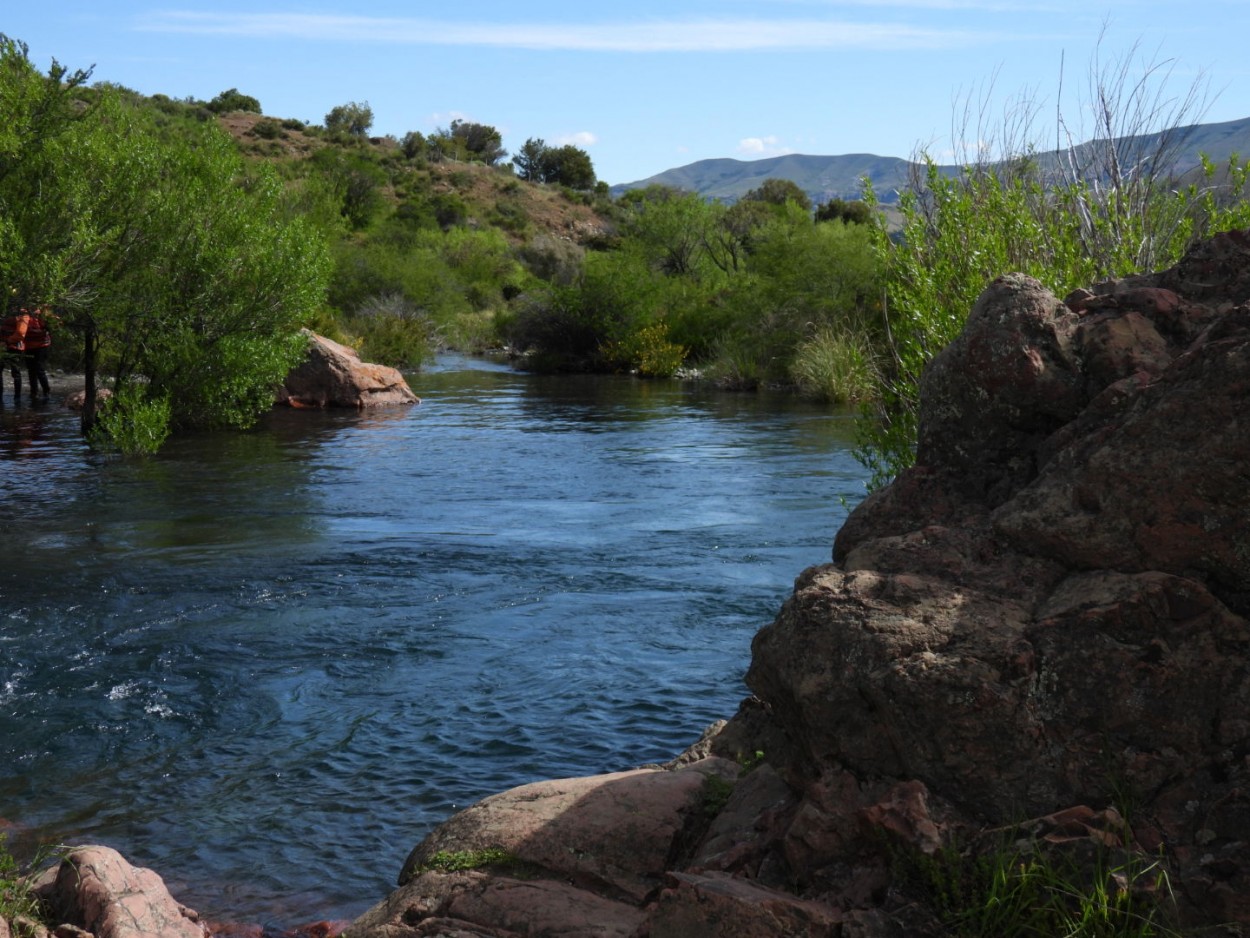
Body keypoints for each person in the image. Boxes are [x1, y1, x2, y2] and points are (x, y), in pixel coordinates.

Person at [20, 305, 52, 399]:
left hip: (41, 346)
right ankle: (34, 392)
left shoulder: (44, 315)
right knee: (31, 370)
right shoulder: (24, 314)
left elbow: (53, 325)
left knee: (39, 369)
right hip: (29, 346)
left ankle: (46, 391)